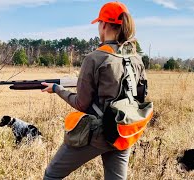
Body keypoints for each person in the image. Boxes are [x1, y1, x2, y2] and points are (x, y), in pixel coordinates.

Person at [41, 1, 147, 179]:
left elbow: (81, 103)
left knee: (52, 174)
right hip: (124, 131)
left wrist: (57, 89)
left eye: (99, 23)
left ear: (104, 24)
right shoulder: (136, 58)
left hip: (98, 133)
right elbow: (140, 95)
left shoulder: (95, 58)